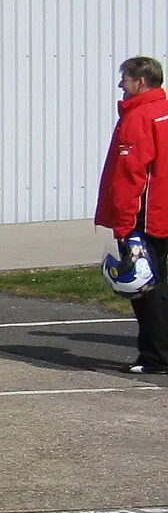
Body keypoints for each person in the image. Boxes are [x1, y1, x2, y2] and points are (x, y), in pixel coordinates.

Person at [96, 55, 168, 374]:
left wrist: (124, 226)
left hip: (145, 216)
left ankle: (156, 357)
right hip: (161, 213)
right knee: (159, 283)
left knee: (142, 286)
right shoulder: (163, 112)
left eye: (125, 79)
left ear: (141, 82)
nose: (121, 86)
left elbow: (130, 176)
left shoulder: (138, 118)